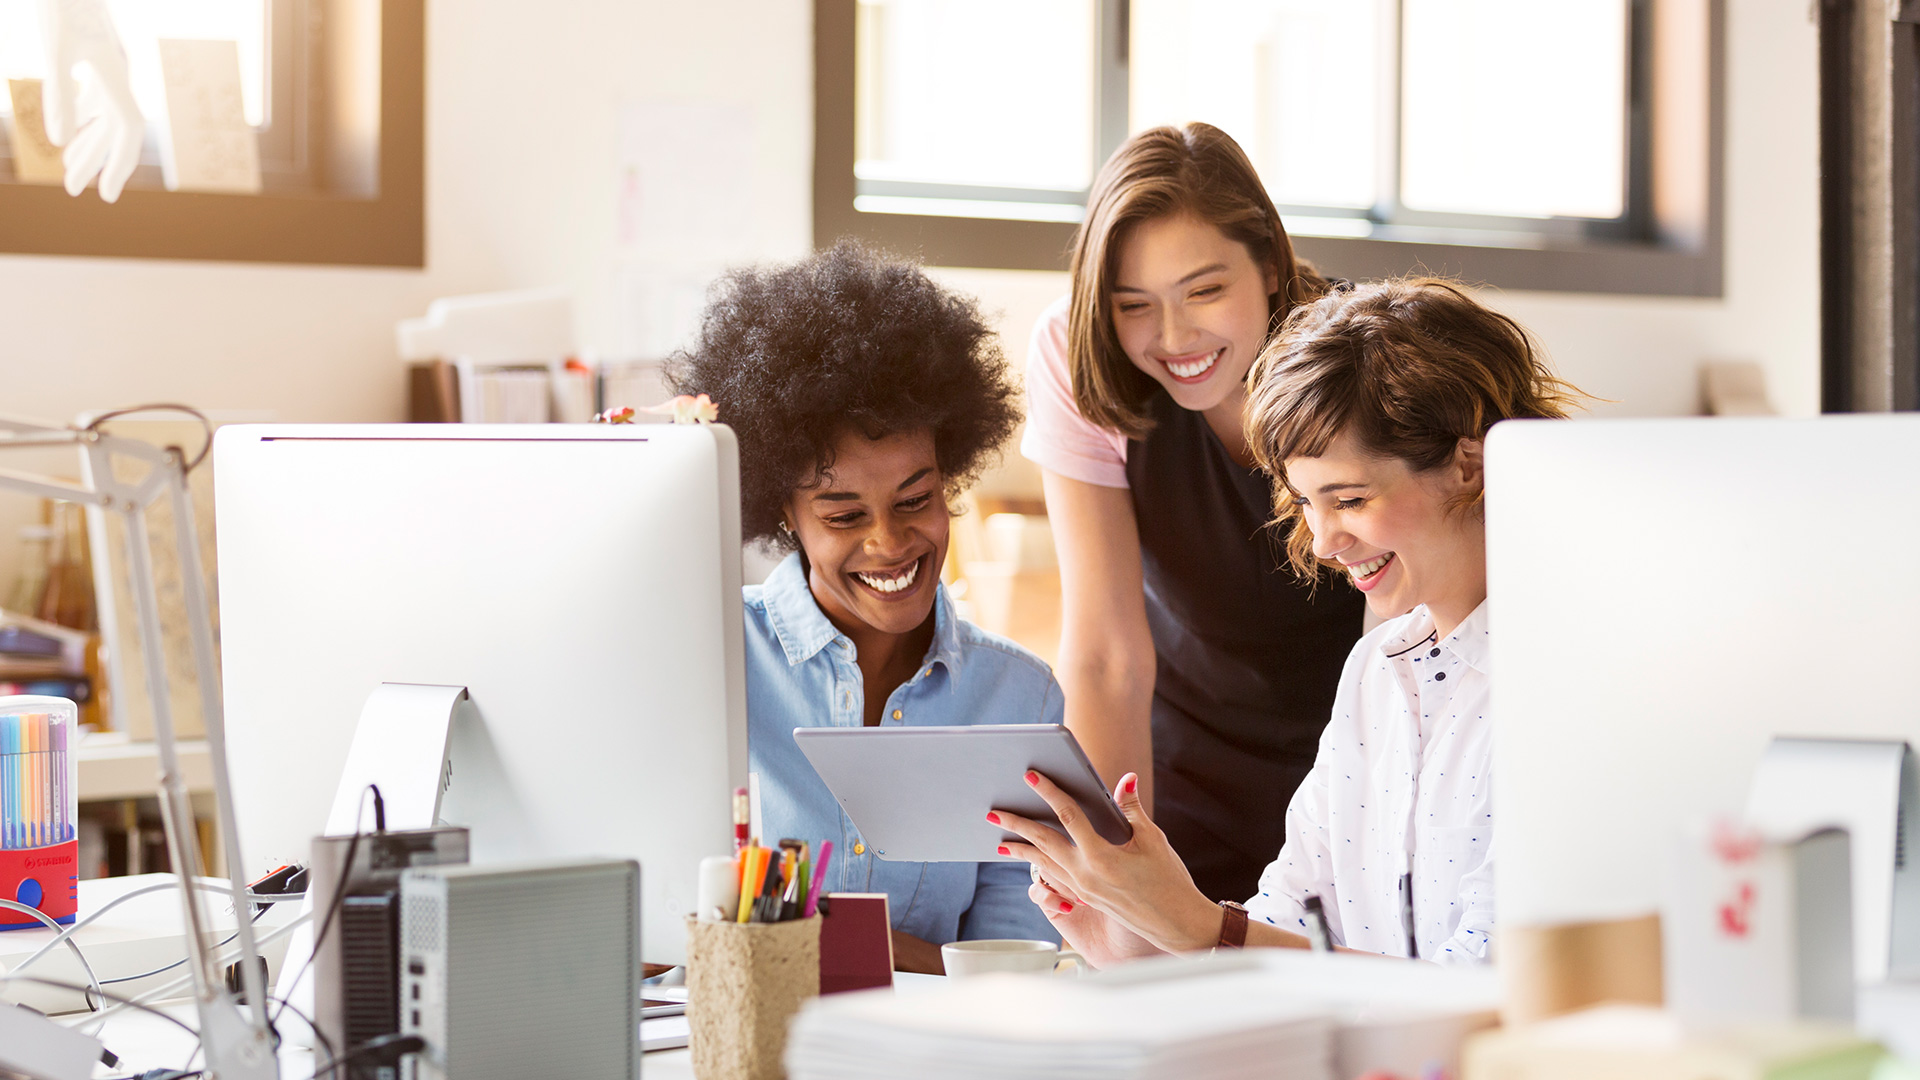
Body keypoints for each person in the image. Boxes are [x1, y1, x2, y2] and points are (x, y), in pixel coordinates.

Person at [996, 277, 1583, 965]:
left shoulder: (1566, 681)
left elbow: (1489, 991)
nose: (1326, 541)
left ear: (1469, 465)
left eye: (1351, 499)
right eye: (1307, 503)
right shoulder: (1377, 670)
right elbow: (1292, 915)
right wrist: (1146, 943)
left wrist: (1202, 929)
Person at [667, 241, 1062, 974]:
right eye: (844, 515)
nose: (889, 542)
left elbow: (1015, 965)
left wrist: (829, 945)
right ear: (784, 514)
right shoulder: (710, 660)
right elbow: (664, 925)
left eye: (916, 500)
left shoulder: (1018, 697)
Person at [1022, 122, 1368, 903]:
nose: (1174, 338)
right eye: (1133, 304)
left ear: (1273, 266)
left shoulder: (1361, 358)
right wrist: (1112, 869)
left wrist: (1351, 841)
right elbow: (1107, 653)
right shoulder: (1075, 358)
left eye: (1205, 290)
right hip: (1186, 771)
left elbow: (1403, 644)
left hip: (1358, 761)